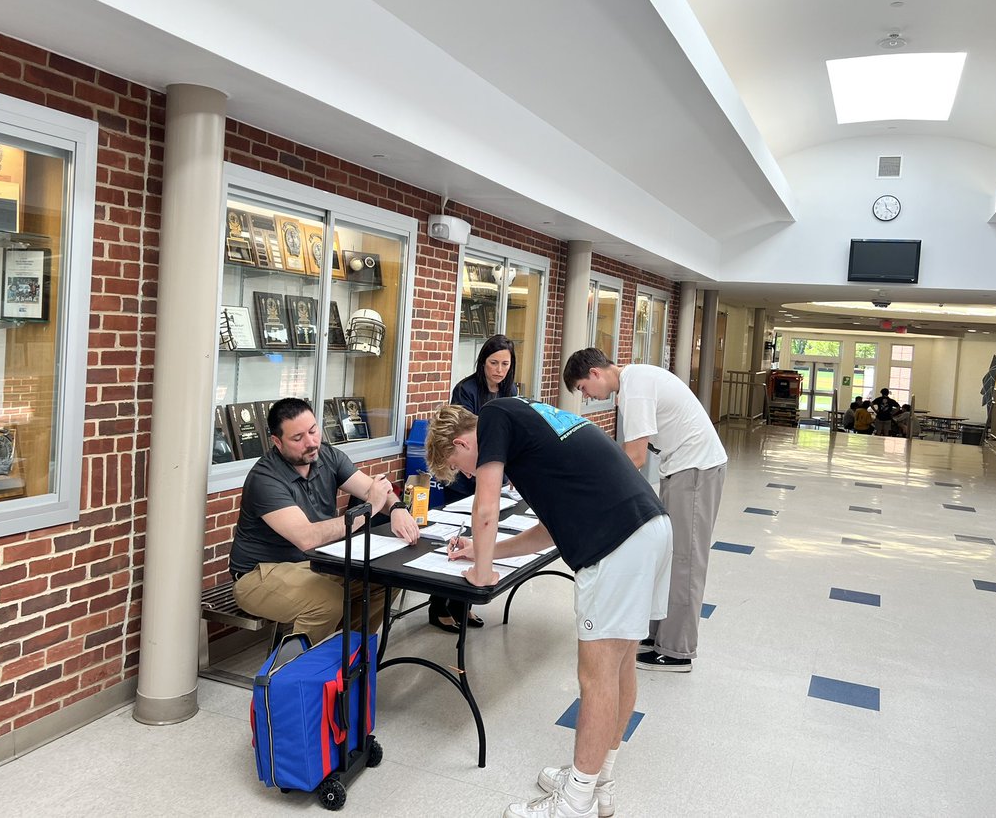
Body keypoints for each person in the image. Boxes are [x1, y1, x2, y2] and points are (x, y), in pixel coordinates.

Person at [426, 401, 672, 818]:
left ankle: (574, 803)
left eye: (463, 466)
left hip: (615, 544)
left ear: (464, 441)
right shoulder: (530, 427)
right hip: (648, 527)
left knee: (595, 679)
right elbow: (549, 529)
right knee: (619, 666)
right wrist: (483, 550)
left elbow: (485, 509)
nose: (470, 475)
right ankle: (599, 783)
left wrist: (483, 574)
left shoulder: (495, 419)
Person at [563, 349, 726, 673]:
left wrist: (598, 490)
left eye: (582, 388)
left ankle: (677, 650)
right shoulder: (633, 383)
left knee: (685, 561)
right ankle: (658, 636)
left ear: (595, 374)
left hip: (696, 469)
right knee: (667, 555)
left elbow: (635, 457)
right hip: (681, 467)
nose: (586, 396)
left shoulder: (634, 387)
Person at [229, 398, 420, 644]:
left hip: (316, 564)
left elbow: (376, 489)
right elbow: (306, 538)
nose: (310, 443)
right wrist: (368, 509)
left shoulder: (327, 456)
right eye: (297, 438)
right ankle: (299, 674)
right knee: (327, 603)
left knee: (387, 579)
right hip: (259, 574)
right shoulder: (265, 478)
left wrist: (397, 507)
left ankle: (347, 654)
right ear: (277, 442)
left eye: (313, 431)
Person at [429, 334, 519, 633]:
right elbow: (463, 432)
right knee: (458, 536)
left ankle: (462, 604)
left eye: (505, 364)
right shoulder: (466, 389)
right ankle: (438, 605)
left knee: (480, 537)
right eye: (494, 363)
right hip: (466, 473)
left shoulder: (510, 390)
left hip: (493, 472)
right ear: (483, 362)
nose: (499, 370)